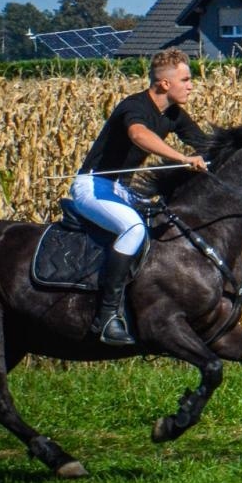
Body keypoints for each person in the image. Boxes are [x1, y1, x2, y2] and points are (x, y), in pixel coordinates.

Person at [69, 48, 209, 345]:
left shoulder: (173, 115)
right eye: (185, 79)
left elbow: (205, 145)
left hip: (121, 189)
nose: (191, 85)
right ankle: (105, 317)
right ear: (164, 84)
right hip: (94, 186)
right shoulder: (133, 107)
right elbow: (139, 136)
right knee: (132, 229)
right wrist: (183, 158)